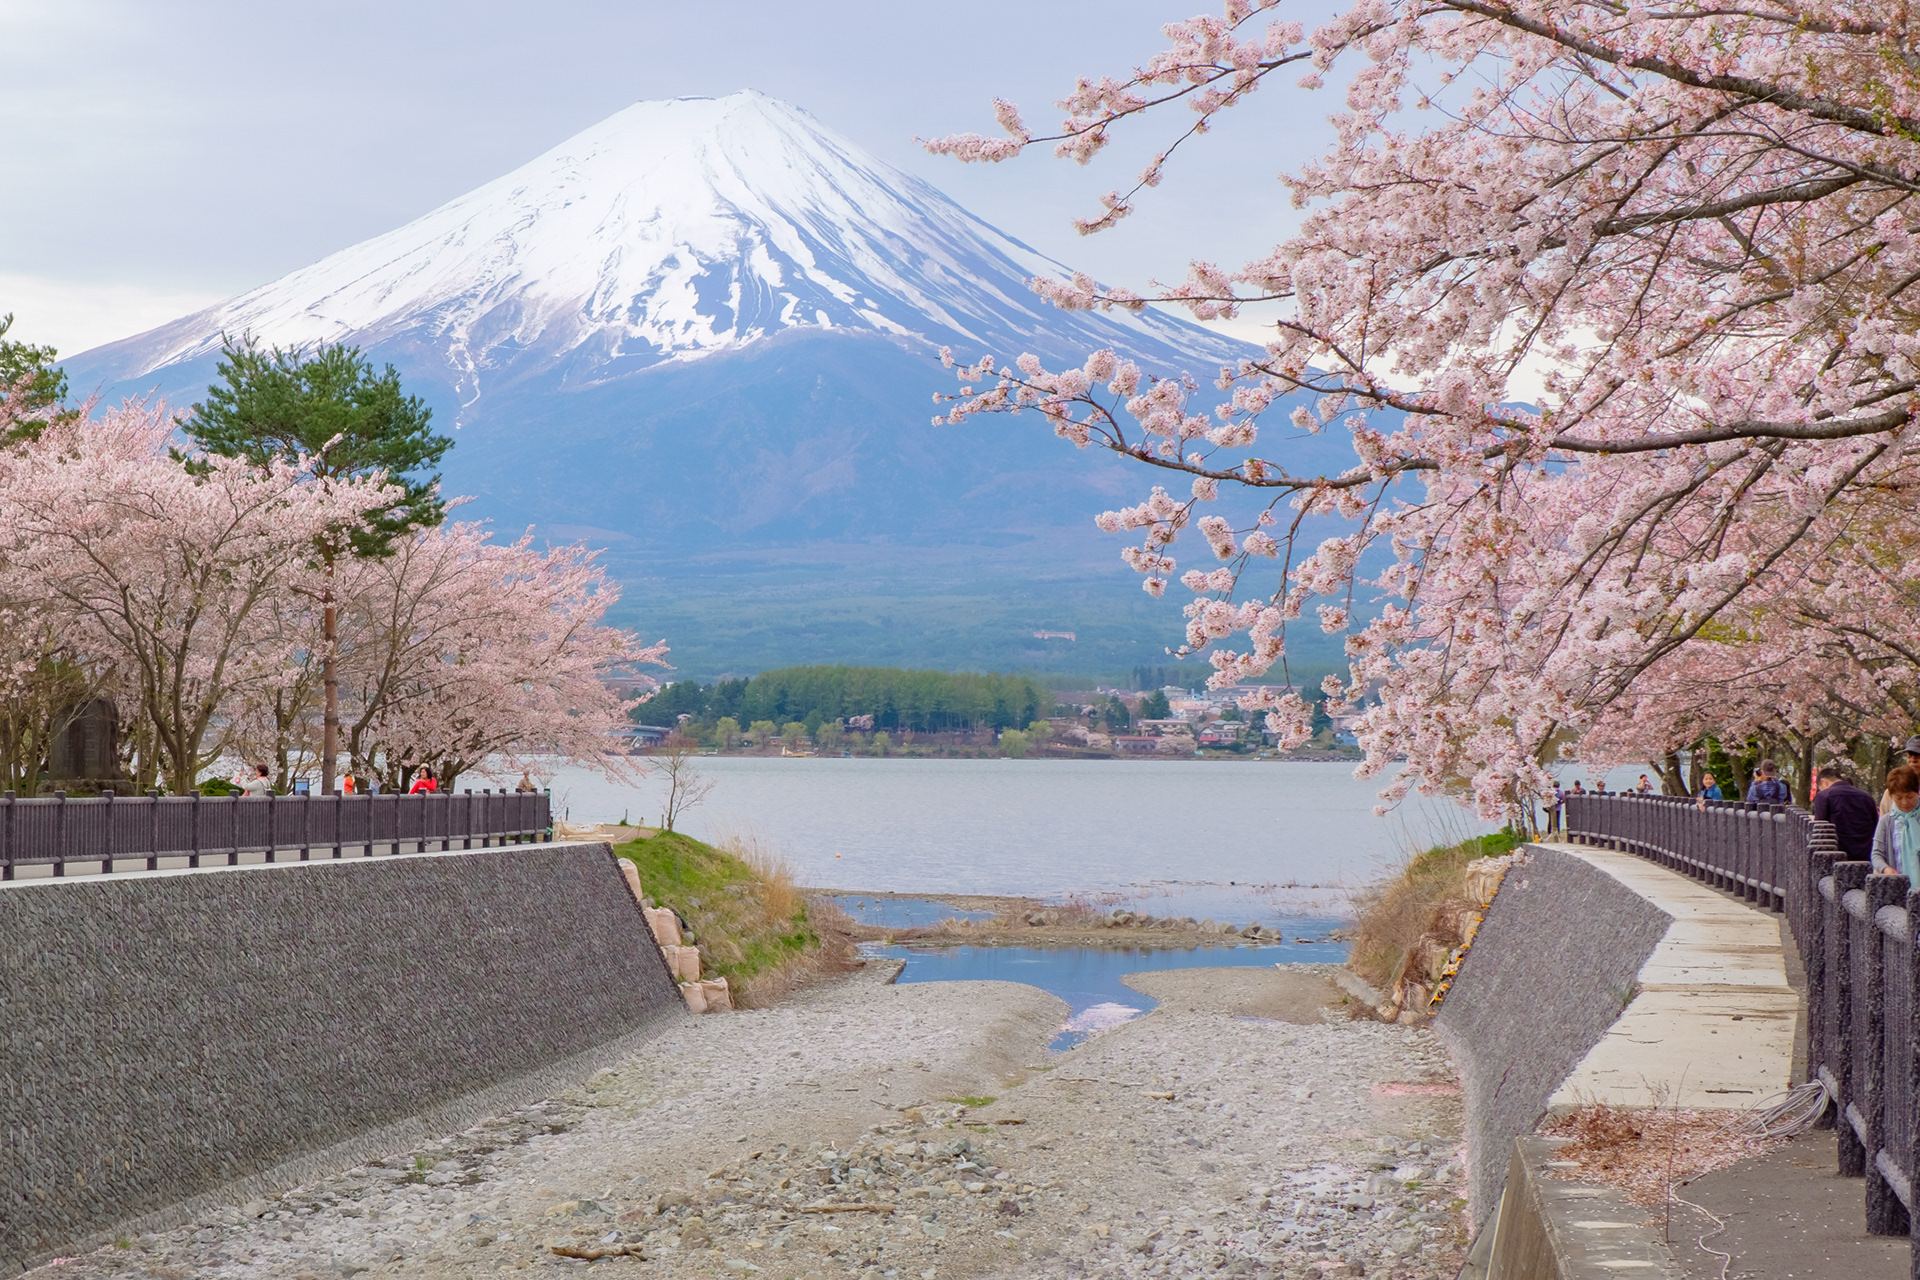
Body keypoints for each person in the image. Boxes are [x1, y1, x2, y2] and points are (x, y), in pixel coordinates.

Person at [1814, 763, 1878, 860]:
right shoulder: (1867, 798)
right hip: (1865, 856)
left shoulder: (1824, 796)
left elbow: (1820, 829)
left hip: (1837, 856)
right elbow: (1875, 826)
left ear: (1824, 782)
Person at [1873, 765, 1920, 881]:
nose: (1905, 802)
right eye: (1898, 798)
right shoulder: (1886, 821)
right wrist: (1886, 869)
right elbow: (1877, 854)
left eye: (1909, 796)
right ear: (1891, 796)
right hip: (1898, 888)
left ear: (1917, 792)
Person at [1883, 735, 1920, 815]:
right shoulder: (1892, 791)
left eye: (1918, 756)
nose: (1913, 760)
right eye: (1909, 756)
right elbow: (1884, 823)